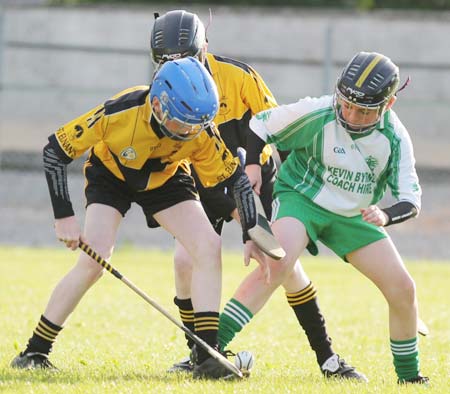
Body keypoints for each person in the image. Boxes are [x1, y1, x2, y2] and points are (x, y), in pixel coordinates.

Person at [10, 57, 258, 380]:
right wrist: (64, 217)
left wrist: (251, 231)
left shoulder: (199, 132)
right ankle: (35, 351)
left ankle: (207, 358)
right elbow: (55, 151)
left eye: (196, 127)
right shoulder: (119, 113)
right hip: (111, 173)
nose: (189, 134)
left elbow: (236, 179)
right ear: (158, 104)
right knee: (94, 262)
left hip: (166, 177)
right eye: (182, 125)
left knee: (208, 245)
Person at [151, 10, 366, 381]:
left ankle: (328, 358)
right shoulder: (160, 87)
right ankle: (200, 355)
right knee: (184, 262)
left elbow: (274, 126)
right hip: (200, 183)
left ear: (204, 48)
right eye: (165, 62)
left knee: (281, 265)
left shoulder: (238, 77)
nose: (175, 69)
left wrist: (255, 168)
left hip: (250, 179)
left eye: (185, 58)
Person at [242, 51, 428, 385]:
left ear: (388, 105)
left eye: (363, 110)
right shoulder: (318, 110)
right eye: (346, 104)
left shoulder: (395, 138)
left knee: (403, 289)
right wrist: (253, 164)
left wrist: (385, 215)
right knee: (277, 260)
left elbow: (411, 200)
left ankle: (410, 378)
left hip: (354, 216)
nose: (351, 115)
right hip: (302, 197)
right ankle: (208, 350)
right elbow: (260, 125)